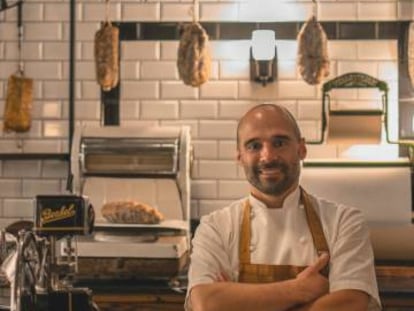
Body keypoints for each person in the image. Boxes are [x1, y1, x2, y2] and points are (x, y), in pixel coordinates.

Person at [185, 104, 381, 311]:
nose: (268, 157)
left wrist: (238, 302)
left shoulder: (344, 222)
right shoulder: (215, 227)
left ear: (301, 149)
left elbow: (350, 304)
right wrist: (300, 290)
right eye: (254, 146)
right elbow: (207, 303)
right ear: (240, 157)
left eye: (279, 143)